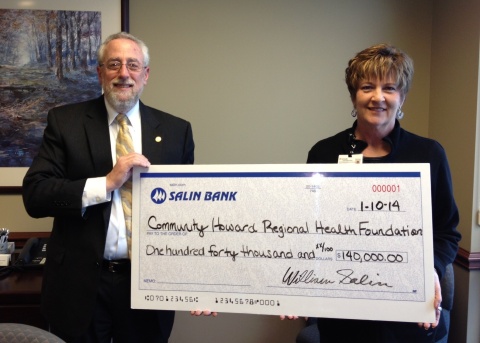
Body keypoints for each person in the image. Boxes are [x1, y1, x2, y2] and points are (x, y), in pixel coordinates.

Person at [22, 32, 196, 342]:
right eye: (114, 64)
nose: (123, 73)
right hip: (80, 284)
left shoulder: (176, 131)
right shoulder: (65, 122)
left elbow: (187, 213)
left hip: (148, 283)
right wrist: (106, 183)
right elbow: (35, 195)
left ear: (146, 74)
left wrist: (198, 281)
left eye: (132, 65)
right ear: (100, 72)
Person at [306, 43, 461, 342]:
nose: (378, 97)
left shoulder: (429, 153)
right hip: (345, 319)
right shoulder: (324, 152)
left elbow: (447, 232)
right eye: (367, 87)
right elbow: (310, 230)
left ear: (401, 96)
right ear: (354, 96)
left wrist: (431, 268)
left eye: (389, 88)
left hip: (408, 320)